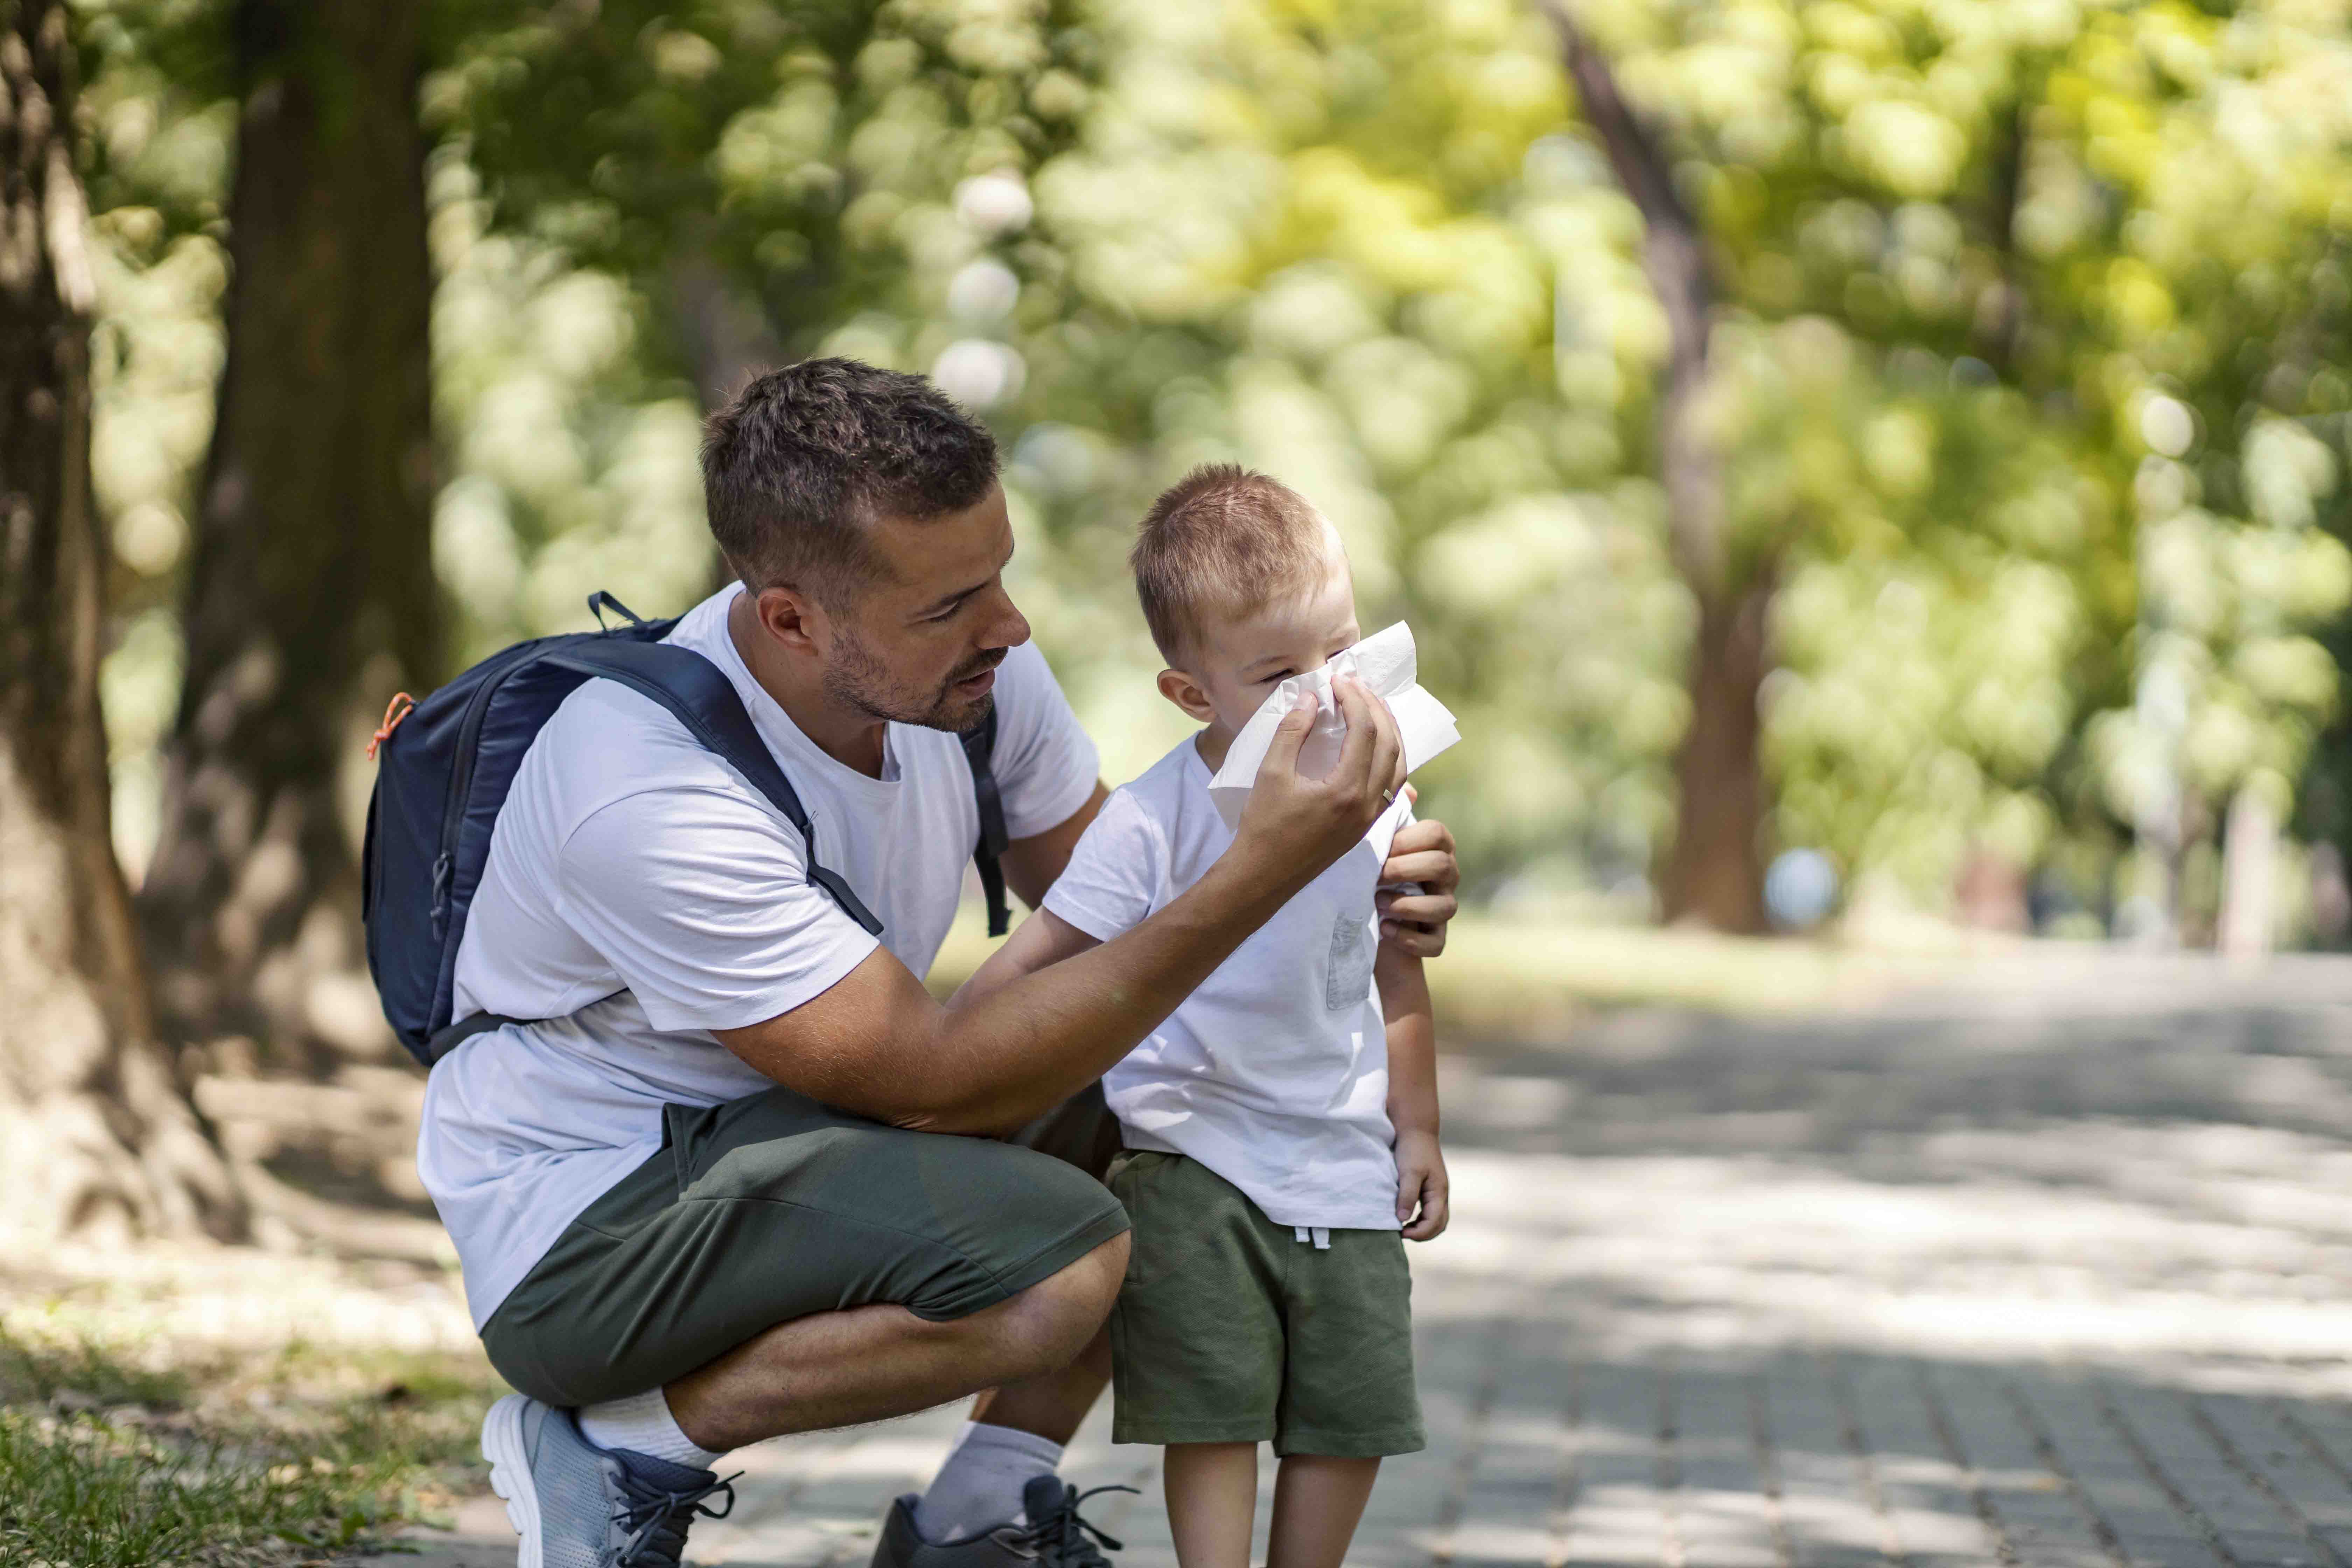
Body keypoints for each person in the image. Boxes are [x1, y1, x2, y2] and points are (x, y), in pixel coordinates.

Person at [414, 359, 1463, 1568]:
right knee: (1061, 1259)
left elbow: (1133, 916)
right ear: (793, 620)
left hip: (786, 1147)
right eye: (952, 604)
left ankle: (978, 1514)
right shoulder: (646, 790)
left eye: (1000, 574)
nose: (1011, 627)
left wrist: (1358, 891)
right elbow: (930, 1082)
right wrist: (1267, 869)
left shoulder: (973, 681)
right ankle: (619, 1445)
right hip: (595, 1227)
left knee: (1162, 1102)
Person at [942, 466, 1447, 1568]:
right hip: (1192, 1161)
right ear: (1193, 693)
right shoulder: (1150, 822)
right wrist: (941, 1074)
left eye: (1341, 651)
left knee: (1350, 1412)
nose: (1324, 694)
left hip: (1344, 1162)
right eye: (1278, 675)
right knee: (1211, 1411)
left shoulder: (1375, 794)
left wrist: (1419, 1129)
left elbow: (1397, 972)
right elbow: (1031, 962)